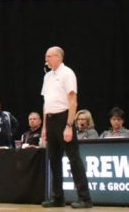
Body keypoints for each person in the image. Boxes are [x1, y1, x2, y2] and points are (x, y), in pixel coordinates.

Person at [41, 46, 92, 208]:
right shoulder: (47, 76)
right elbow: (46, 103)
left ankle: (85, 198)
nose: (46, 59)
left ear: (58, 57)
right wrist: (44, 127)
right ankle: (58, 197)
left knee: (73, 158)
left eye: (49, 56)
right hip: (50, 119)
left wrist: (69, 125)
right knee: (54, 160)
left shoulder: (67, 73)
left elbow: (72, 101)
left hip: (64, 118)